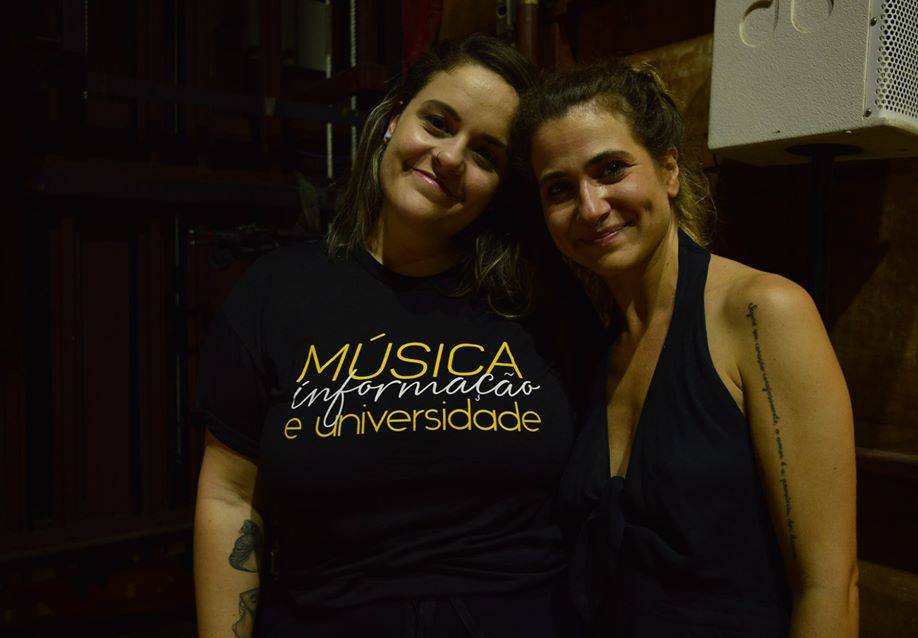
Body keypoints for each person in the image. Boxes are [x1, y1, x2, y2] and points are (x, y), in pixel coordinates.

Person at [192, 34, 589, 637]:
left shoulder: (538, 303)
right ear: (393, 119)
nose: (450, 157)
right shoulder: (275, 294)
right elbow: (228, 499)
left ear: (500, 189)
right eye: (438, 123)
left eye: (485, 154)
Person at [512, 61, 859, 637]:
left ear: (669, 168)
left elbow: (828, 587)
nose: (590, 206)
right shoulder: (590, 346)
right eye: (560, 189)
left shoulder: (761, 312)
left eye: (611, 169)